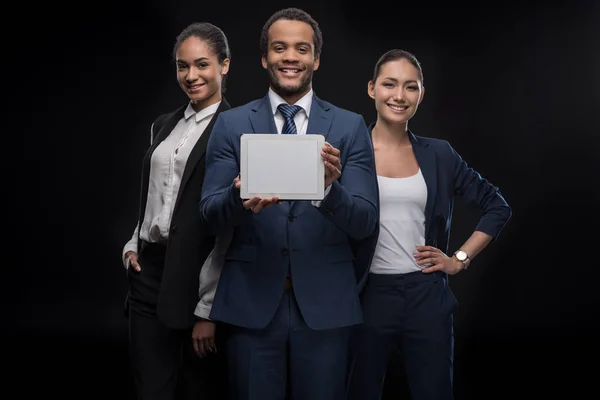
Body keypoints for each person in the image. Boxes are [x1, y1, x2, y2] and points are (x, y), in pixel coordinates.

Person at [199, 7, 379, 400]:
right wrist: (237, 196)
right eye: (279, 48)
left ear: (316, 58)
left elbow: (366, 222)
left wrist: (331, 191)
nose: (291, 57)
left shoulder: (349, 127)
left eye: (302, 48)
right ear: (265, 57)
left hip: (326, 305)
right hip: (250, 304)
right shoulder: (231, 125)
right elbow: (209, 216)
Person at [346, 49, 512, 400]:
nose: (400, 96)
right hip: (364, 295)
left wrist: (460, 259)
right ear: (372, 89)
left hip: (425, 297)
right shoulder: (346, 152)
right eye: (390, 84)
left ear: (421, 94)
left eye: (411, 87)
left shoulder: (439, 154)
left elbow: (496, 206)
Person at [121, 22, 232, 400]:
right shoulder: (163, 125)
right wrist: (133, 244)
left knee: (198, 388)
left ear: (224, 66)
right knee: (151, 387)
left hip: (198, 276)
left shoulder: (235, 130)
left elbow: (231, 229)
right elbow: (153, 196)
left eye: (202, 64)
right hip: (149, 274)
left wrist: (208, 309)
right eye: (182, 66)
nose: (191, 75)